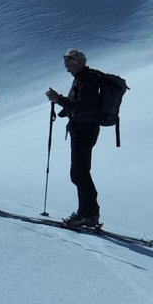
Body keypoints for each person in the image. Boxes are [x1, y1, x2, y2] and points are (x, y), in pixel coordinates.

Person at [45, 49, 105, 229]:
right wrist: (64, 107)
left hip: (84, 129)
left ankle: (87, 215)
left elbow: (83, 104)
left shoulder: (87, 79)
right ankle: (89, 213)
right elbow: (82, 104)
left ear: (78, 62)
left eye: (69, 65)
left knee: (80, 173)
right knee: (80, 172)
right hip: (82, 128)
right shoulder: (83, 78)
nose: (67, 69)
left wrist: (59, 100)